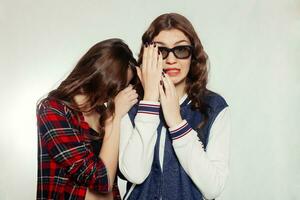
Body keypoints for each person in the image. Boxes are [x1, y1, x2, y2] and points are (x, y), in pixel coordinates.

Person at [119, 13, 231, 200]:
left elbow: (213, 187)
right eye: (160, 51)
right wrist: (149, 101)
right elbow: (135, 173)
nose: (171, 60)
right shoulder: (130, 102)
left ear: (193, 55)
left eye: (181, 50)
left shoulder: (213, 107)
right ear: (148, 56)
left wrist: (177, 123)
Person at [36, 38, 139, 200]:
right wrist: (114, 118)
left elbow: (128, 172)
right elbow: (102, 181)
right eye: (117, 87)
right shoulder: (53, 110)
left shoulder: (103, 112)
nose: (117, 95)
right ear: (101, 75)